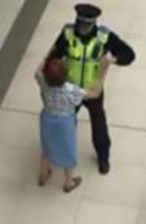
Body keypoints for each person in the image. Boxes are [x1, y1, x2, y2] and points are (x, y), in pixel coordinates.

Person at [46, 3, 136, 174]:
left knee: (99, 126)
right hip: (71, 90)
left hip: (93, 90)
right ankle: (58, 153)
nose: (82, 28)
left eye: (86, 25)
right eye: (80, 24)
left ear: (93, 23)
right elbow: (54, 56)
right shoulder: (67, 34)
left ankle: (103, 158)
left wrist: (113, 59)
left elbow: (129, 54)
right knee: (65, 124)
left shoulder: (104, 37)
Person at [35, 58, 109, 193]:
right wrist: (103, 71)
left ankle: (43, 175)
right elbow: (95, 94)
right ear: (66, 75)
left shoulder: (43, 83)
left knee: (46, 148)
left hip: (47, 118)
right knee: (68, 151)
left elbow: (37, 72)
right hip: (65, 122)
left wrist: (47, 57)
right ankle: (69, 182)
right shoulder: (71, 90)